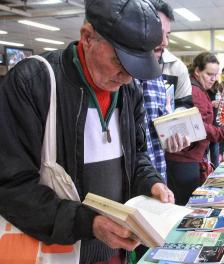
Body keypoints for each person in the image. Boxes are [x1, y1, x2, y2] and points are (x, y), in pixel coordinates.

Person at [0, 0, 175, 263]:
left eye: (134, 67)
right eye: (118, 60)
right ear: (87, 37)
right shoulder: (34, 83)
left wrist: (152, 182)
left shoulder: (129, 91)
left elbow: (137, 155)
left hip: (117, 252)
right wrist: (89, 223)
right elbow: (11, 186)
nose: (126, 76)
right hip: (52, 253)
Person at [165, 52, 224, 205]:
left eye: (216, 74)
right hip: (184, 157)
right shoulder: (194, 91)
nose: (213, 78)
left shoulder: (199, 89)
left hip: (189, 154)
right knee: (185, 202)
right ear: (197, 71)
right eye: (209, 74)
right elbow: (198, 127)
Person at [137, 0, 189, 182]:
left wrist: (173, 136)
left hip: (156, 177)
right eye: (159, 34)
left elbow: (154, 135)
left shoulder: (157, 77)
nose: (165, 42)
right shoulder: (118, 78)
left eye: (168, 35)